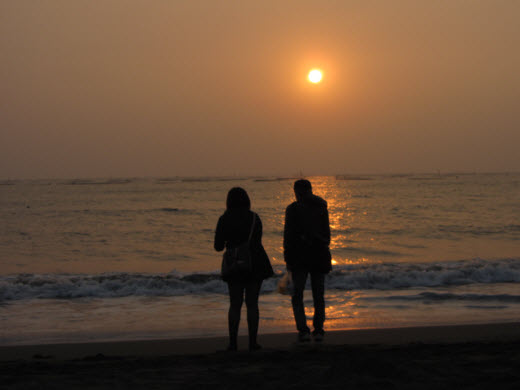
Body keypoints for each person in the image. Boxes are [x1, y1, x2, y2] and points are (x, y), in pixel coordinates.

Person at [214, 187, 274, 351]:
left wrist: (230, 243)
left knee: (235, 304)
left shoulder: (224, 219)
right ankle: (253, 342)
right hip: (255, 263)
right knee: (252, 304)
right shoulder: (255, 217)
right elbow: (258, 240)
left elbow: (218, 247)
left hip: (234, 265)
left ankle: (233, 343)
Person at [283, 179, 332, 342]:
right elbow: (327, 235)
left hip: (299, 257)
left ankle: (303, 330)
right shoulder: (321, 206)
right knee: (318, 294)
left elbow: (288, 237)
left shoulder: (292, 209)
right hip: (318, 255)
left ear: (297, 192)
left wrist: (287, 258)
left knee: (297, 295)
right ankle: (318, 329)